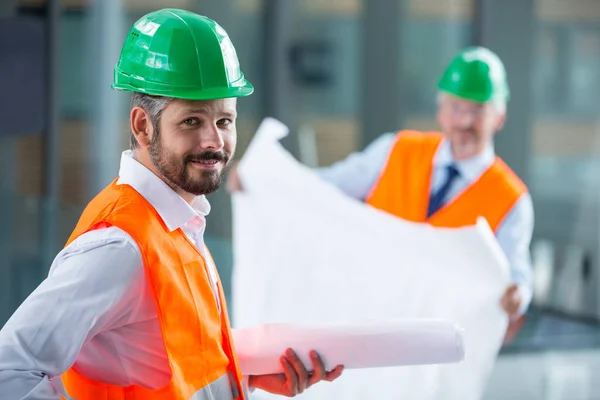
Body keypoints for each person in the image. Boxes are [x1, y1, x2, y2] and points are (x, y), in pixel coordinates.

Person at [0, 9, 343, 400]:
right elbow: (8, 370)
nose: (214, 141)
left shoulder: (179, 224)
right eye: (192, 121)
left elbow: (172, 362)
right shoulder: (118, 246)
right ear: (143, 126)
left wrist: (244, 376)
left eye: (224, 121)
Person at [228, 46, 534, 330]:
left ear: (500, 117)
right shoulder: (396, 149)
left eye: (478, 110)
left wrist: (517, 296)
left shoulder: (511, 198)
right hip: (369, 317)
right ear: (441, 111)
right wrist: (265, 178)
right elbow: (325, 187)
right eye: (456, 107)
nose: (465, 120)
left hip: (442, 341)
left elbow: (517, 275)